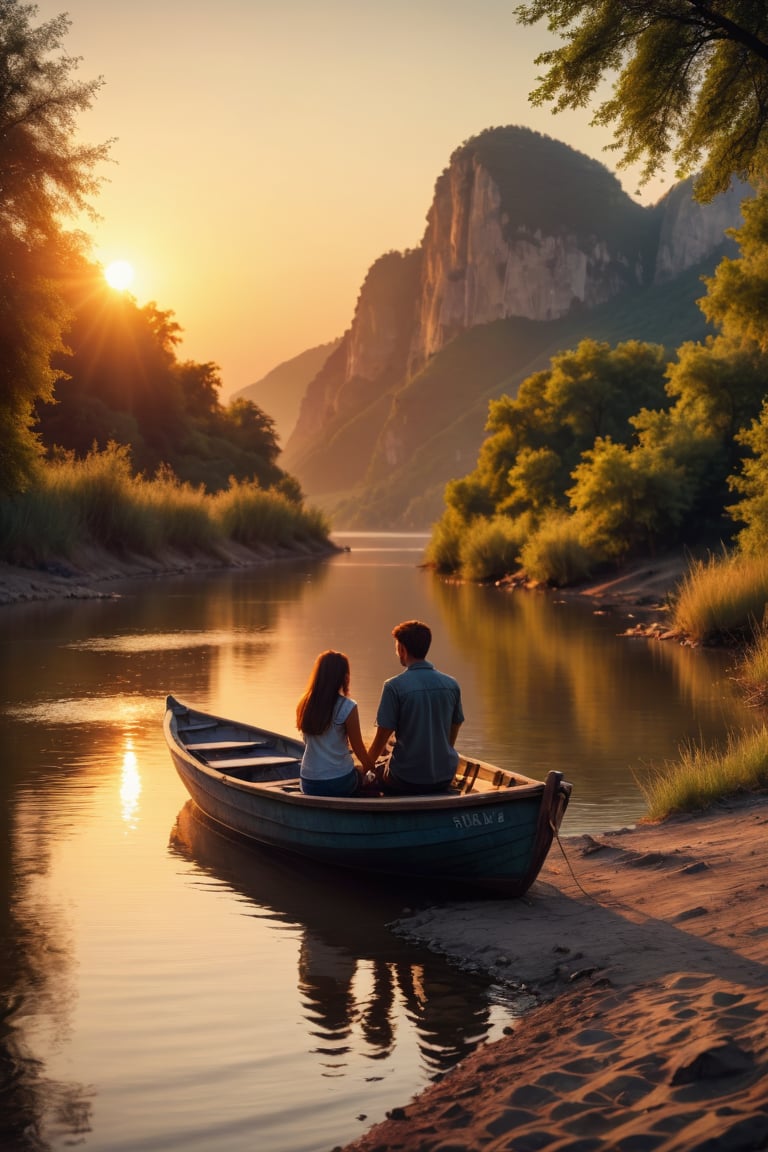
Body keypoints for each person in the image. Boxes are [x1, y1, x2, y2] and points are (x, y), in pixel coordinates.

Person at [367, 620, 464, 795]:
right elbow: (455, 726)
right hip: (444, 776)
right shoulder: (452, 684)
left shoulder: (394, 687)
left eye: (397, 648)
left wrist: (364, 770)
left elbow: (381, 738)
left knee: (372, 776)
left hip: (405, 778)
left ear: (402, 650)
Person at [296, 650, 376, 796]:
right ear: (344, 677)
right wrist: (371, 766)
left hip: (308, 782)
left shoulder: (304, 703)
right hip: (339, 781)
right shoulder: (347, 706)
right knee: (366, 775)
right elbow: (358, 749)